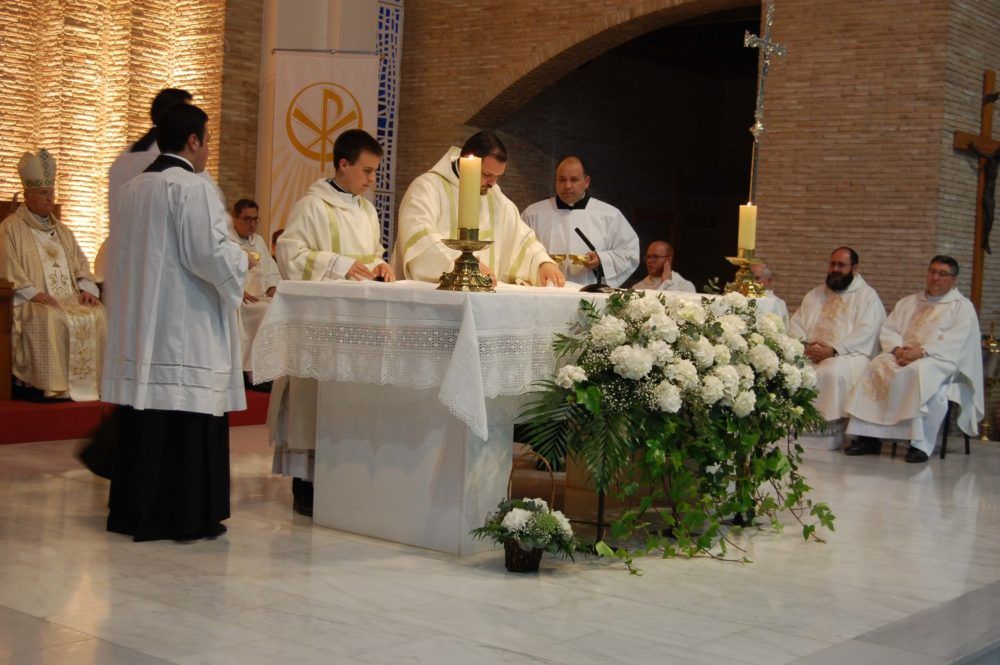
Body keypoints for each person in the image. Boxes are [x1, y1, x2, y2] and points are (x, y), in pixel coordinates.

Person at [101, 103, 251, 541]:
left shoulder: (132, 189)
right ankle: (183, 515)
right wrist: (241, 260)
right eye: (207, 142)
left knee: (146, 416)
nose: (208, 151)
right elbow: (207, 253)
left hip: (141, 325)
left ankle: (135, 511)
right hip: (184, 325)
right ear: (193, 140)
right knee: (184, 412)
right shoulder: (191, 186)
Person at [271, 129, 393, 517]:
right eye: (367, 171)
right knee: (312, 403)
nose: (372, 179)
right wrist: (339, 265)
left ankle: (345, 478)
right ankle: (306, 486)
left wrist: (380, 265)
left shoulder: (366, 210)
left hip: (356, 326)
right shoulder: (312, 205)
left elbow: (372, 253)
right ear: (343, 165)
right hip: (319, 328)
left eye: (375, 171)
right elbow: (289, 254)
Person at [845, 256, 983, 463]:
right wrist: (898, 349)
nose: (935, 277)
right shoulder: (909, 302)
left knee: (918, 372)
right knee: (877, 365)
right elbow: (890, 329)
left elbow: (957, 341)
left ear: (953, 279)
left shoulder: (962, 307)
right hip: (902, 355)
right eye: (932, 271)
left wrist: (922, 352)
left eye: (942, 274)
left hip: (940, 360)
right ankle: (868, 437)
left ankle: (919, 444)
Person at [0, 149, 105, 401]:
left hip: (68, 297)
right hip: (31, 300)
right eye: (43, 193)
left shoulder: (63, 231)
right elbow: (7, 266)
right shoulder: (10, 228)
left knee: (99, 313)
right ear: (27, 195)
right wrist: (33, 293)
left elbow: (81, 263)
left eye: (51, 192)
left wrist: (87, 289)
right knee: (50, 317)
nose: (50, 198)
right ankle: (54, 386)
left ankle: (93, 385)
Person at [395, 131, 564, 286]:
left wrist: (541, 263)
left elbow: (520, 238)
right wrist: (464, 266)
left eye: (497, 177)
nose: (492, 183)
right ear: (466, 162)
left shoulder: (495, 198)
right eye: (487, 175)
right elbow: (419, 239)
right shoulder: (427, 188)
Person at [788, 247, 885, 449]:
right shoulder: (816, 294)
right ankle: (791, 429)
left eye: (841, 265)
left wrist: (834, 350)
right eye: (832, 264)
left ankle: (827, 434)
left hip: (849, 355)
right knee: (790, 370)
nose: (835, 269)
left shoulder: (867, 297)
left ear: (854, 268)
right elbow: (796, 323)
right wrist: (805, 345)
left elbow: (867, 331)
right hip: (811, 353)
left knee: (831, 373)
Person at [521, 155, 639, 286]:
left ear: (586, 182)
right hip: (545, 291)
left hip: (589, 294)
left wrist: (602, 260)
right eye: (562, 180)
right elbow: (518, 251)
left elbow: (630, 253)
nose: (567, 186)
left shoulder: (610, 215)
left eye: (574, 180)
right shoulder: (533, 214)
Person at [231, 199, 280, 384]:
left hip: (259, 296)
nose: (251, 224)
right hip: (239, 299)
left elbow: (270, 269)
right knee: (264, 311)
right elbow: (223, 272)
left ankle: (269, 369)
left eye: (255, 219)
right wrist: (238, 291)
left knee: (278, 309)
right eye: (247, 219)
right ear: (235, 218)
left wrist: (273, 287)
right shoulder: (227, 241)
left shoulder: (258, 241)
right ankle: (252, 371)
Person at [751, 262, 789, 326]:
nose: (752, 282)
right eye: (749, 278)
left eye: (756, 278)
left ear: (769, 280)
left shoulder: (778, 303)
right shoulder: (739, 299)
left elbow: (783, 328)